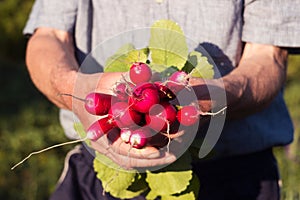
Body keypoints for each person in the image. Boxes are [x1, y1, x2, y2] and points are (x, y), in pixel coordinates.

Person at [23, 0, 300, 199]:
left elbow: (268, 56)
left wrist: (204, 102)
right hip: (99, 173)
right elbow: (48, 36)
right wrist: (77, 89)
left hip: (235, 176)